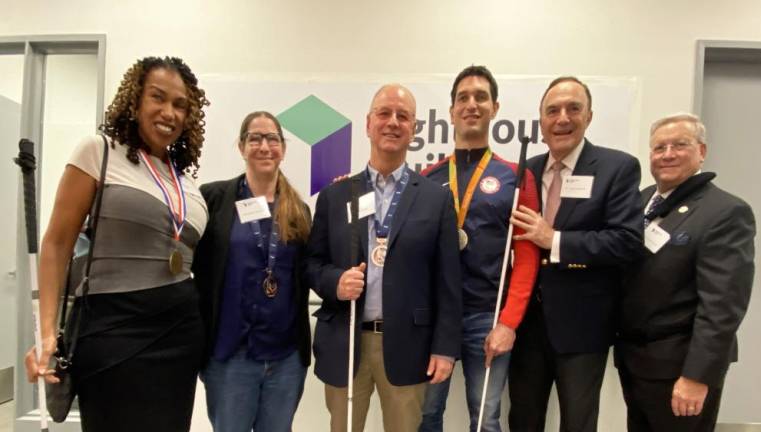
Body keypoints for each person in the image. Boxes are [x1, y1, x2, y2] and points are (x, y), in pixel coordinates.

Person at [23, 56, 210, 431]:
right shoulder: (99, 152)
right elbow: (57, 244)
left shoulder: (186, 182)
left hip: (180, 333)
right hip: (113, 330)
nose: (169, 112)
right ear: (135, 100)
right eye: (158, 97)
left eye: (180, 105)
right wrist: (46, 334)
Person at [307, 84, 462, 432]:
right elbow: (312, 265)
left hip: (410, 345)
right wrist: (335, 282)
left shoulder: (435, 200)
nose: (393, 122)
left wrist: (445, 348)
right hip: (347, 342)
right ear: (367, 123)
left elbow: (448, 282)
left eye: (403, 116)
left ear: (414, 129)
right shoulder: (336, 194)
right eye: (384, 113)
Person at [508, 76, 643, 431]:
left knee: (578, 423)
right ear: (541, 121)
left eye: (573, 109)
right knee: (523, 419)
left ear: (590, 116)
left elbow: (627, 241)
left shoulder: (617, 168)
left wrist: (554, 239)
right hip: (527, 327)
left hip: (583, 326)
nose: (562, 118)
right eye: (552, 111)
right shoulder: (526, 170)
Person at [615, 113, 756, 432]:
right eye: (659, 147)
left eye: (680, 145)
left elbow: (723, 306)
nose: (667, 154)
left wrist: (696, 376)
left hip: (680, 366)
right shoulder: (641, 200)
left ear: (702, 151)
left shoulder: (725, 212)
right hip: (637, 361)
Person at [419, 65, 539, 432]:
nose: (471, 104)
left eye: (480, 97)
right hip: (435, 319)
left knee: (486, 418)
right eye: (463, 98)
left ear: (495, 108)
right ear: (452, 111)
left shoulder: (516, 176)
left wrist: (509, 322)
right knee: (425, 416)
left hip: (486, 316)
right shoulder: (428, 178)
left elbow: (528, 257)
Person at [193, 111, 312, 432]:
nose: (264, 146)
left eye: (272, 138)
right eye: (255, 138)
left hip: (285, 359)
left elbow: (307, 271)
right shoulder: (214, 199)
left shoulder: (299, 211)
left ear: (283, 149)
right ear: (242, 146)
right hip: (231, 357)